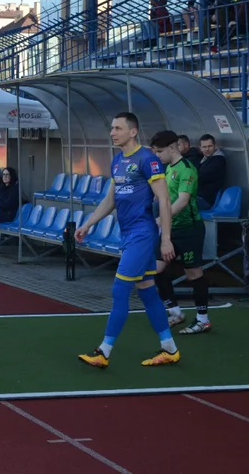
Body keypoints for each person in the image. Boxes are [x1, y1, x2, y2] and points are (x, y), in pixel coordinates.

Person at [75, 112, 180, 369]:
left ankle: (104, 351)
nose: (112, 133)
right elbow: (110, 200)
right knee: (146, 290)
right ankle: (169, 348)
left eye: (118, 128)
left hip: (142, 234)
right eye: (112, 128)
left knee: (120, 290)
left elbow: (164, 200)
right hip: (128, 234)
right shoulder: (118, 160)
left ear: (133, 132)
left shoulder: (148, 159)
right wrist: (88, 224)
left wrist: (165, 239)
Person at [149, 130, 211, 334]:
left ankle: (203, 319)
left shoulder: (187, 169)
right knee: (156, 269)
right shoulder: (167, 169)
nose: (157, 156)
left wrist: (160, 220)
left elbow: (182, 201)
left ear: (172, 147)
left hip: (189, 229)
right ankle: (175, 311)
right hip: (170, 229)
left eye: (160, 151)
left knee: (193, 273)